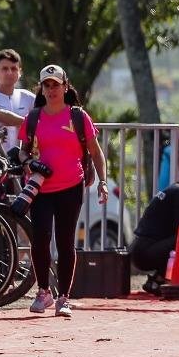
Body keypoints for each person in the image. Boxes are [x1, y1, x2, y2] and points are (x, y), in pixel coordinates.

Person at [20, 64, 108, 317]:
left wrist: (103, 181)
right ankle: (43, 292)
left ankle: (64, 297)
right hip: (40, 188)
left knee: (65, 240)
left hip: (71, 186)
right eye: (46, 85)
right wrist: (28, 162)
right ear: (42, 89)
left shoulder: (78, 117)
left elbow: (95, 151)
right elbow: (23, 150)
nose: (51, 90)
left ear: (65, 87)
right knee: (40, 238)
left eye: (55, 85)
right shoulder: (34, 118)